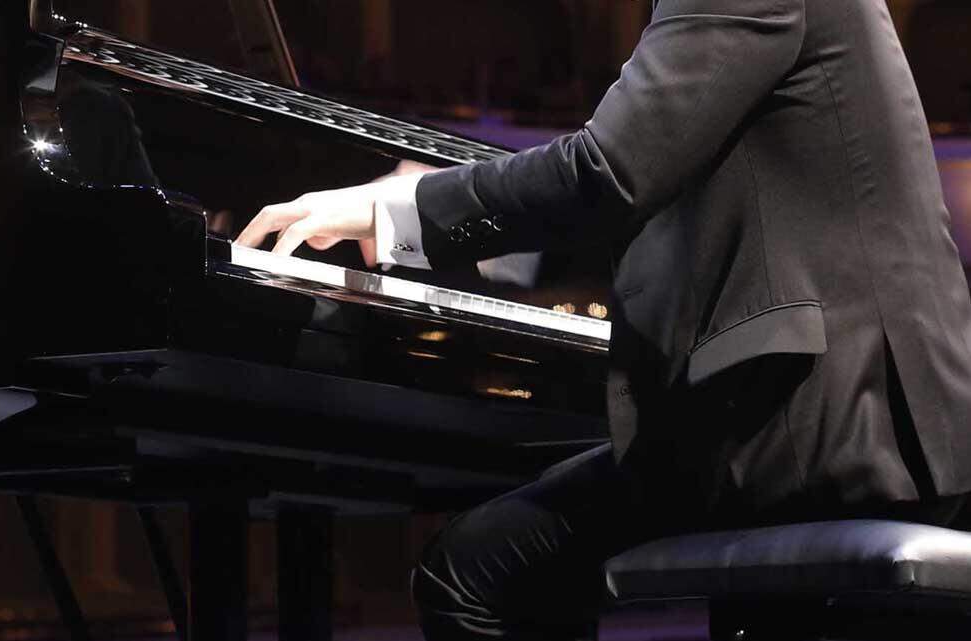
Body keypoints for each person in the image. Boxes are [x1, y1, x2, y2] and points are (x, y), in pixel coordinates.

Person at [237, 0, 971, 638]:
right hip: (856, 413)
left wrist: (395, 210)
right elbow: (663, 196)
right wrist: (484, 238)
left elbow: (612, 171)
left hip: (824, 423)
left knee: (473, 572)